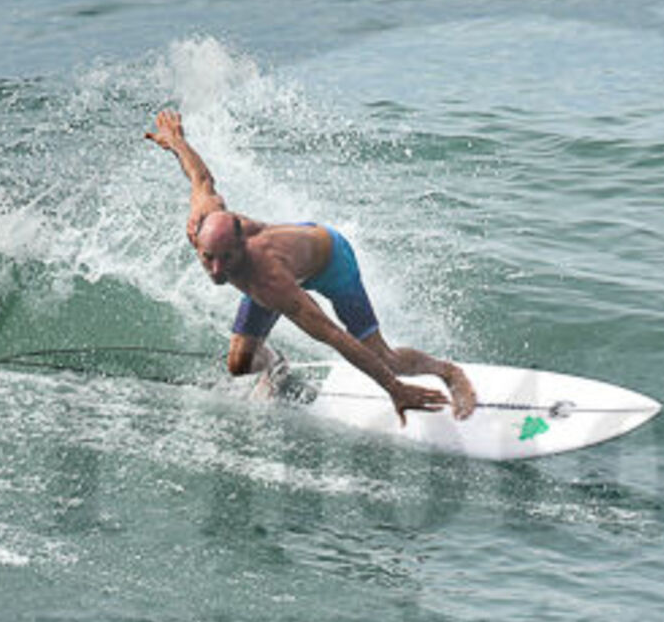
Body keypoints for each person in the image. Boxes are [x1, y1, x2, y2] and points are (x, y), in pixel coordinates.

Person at [145, 109, 476, 423]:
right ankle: (276, 366)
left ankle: (448, 371)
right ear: (198, 242)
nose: (216, 270)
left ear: (242, 244)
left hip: (332, 262)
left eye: (226, 259)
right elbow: (201, 178)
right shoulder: (202, 222)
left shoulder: (269, 280)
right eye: (208, 258)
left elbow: (335, 336)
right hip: (289, 257)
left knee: (384, 358)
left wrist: (395, 388)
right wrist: (177, 142)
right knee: (239, 363)